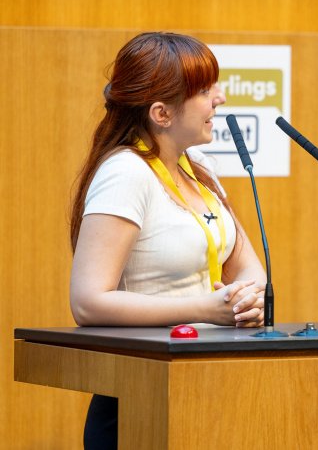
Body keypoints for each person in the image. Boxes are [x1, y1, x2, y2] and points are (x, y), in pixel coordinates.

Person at [69, 32, 268, 449]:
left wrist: (246, 295)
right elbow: (87, 301)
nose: (221, 98)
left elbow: (245, 264)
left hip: (206, 385)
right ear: (161, 112)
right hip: (141, 393)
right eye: (204, 90)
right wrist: (208, 309)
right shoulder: (126, 173)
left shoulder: (199, 166)